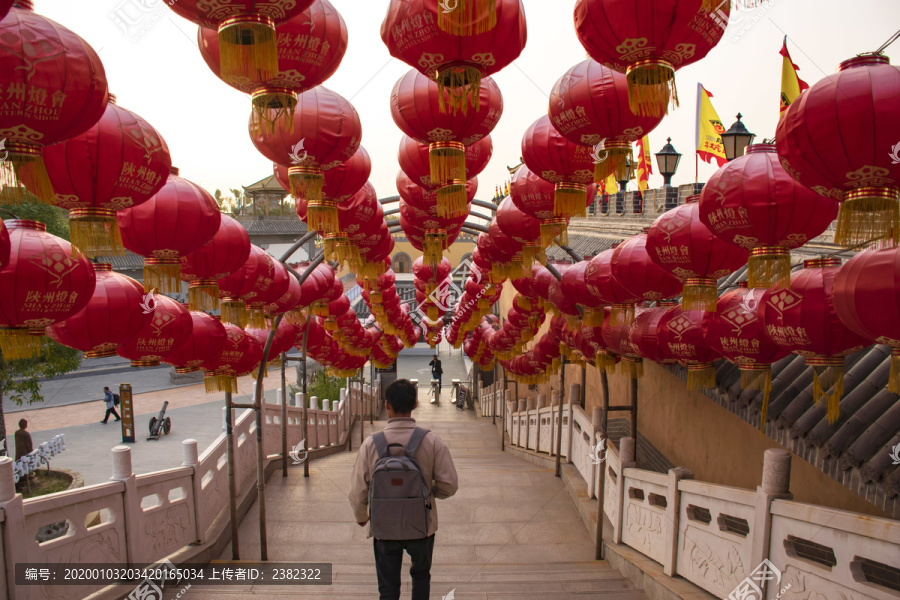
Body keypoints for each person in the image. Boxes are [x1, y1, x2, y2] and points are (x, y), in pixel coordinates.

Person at [349, 379, 458, 600]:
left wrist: (362, 516)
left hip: (384, 527)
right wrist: (428, 492)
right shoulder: (431, 441)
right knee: (420, 576)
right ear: (415, 404)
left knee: (388, 588)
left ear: (387, 405)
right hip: (422, 525)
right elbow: (449, 485)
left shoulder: (371, 444)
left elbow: (358, 490)